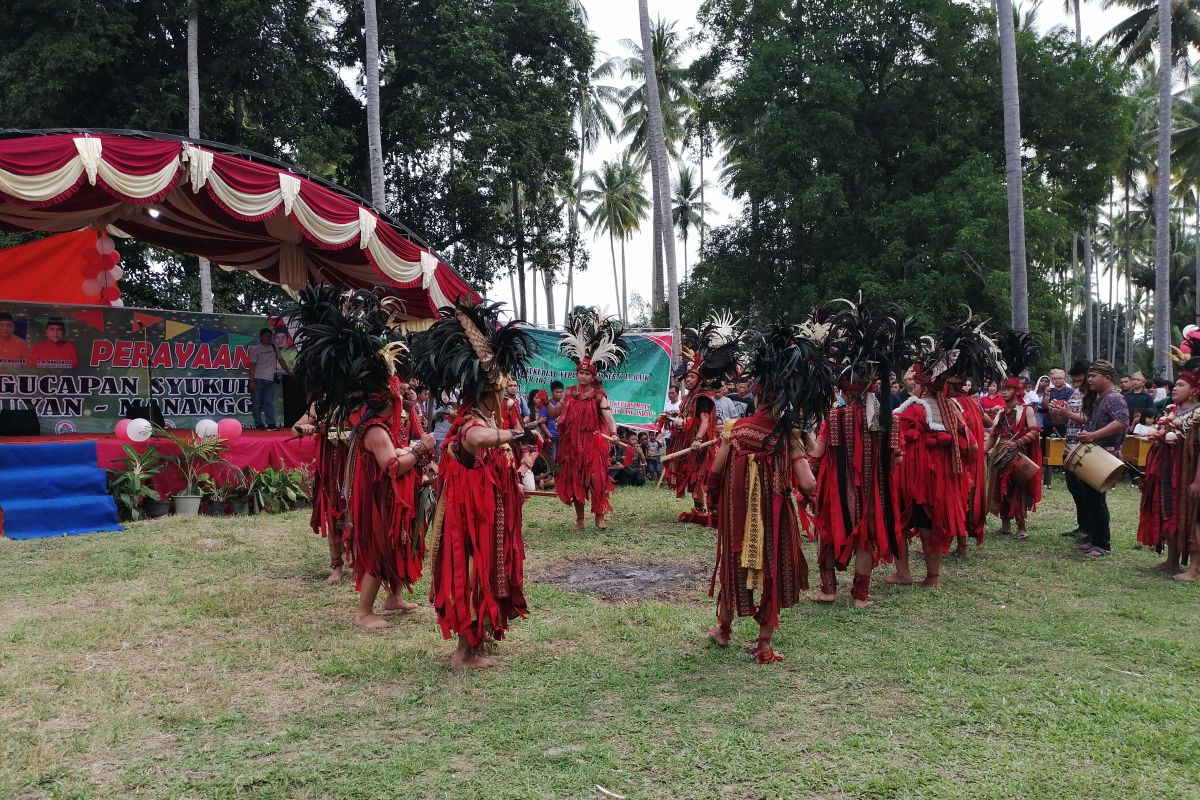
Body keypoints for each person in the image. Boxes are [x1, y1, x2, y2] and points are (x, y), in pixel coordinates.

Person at [291, 285, 434, 630]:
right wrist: (421, 448)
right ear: (388, 401)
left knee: (402, 543)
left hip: (395, 496)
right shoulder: (376, 430)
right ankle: (363, 612)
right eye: (398, 399)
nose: (403, 403)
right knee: (380, 549)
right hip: (381, 499)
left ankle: (394, 596)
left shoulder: (382, 423)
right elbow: (392, 466)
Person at [412, 297, 534, 670]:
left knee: (481, 572)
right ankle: (464, 653)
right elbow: (477, 438)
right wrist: (510, 433)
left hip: (481, 517)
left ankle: (475, 642)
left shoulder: (476, 416)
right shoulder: (471, 423)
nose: (504, 397)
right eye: (500, 391)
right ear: (489, 392)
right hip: (469, 520)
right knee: (469, 573)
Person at [708, 325, 829, 662]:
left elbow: (715, 472)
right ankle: (763, 644)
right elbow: (807, 484)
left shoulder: (737, 429)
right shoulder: (787, 436)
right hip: (773, 514)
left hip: (737, 514)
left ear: (758, 396)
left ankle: (724, 629)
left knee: (735, 565)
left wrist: (714, 505)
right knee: (773, 565)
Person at [806, 302, 910, 608]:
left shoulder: (835, 418)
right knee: (866, 536)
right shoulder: (888, 419)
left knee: (828, 532)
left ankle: (828, 590)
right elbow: (898, 459)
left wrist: (803, 449)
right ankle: (860, 596)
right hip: (874, 490)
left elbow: (818, 454)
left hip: (837, 491)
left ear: (845, 389)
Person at [542, 307, 626, 530]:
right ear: (577, 373)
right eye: (581, 372)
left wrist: (615, 432)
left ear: (593, 376)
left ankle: (599, 516)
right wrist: (544, 403)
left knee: (596, 481)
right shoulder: (569, 392)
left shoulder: (599, 395)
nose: (583, 376)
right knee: (575, 480)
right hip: (570, 445)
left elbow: (608, 415)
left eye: (587, 373)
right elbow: (554, 414)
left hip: (592, 442)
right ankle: (580, 520)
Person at [660, 312, 744, 525]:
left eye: (692, 376)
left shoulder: (703, 398)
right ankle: (704, 509)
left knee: (700, 477)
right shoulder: (688, 398)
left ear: (700, 379)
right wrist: (672, 418)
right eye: (687, 376)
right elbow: (686, 418)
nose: (688, 379)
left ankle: (710, 511)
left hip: (701, 445)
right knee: (693, 479)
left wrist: (697, 439)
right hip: (689, 441)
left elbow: (705, 421)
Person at [1054, 360, 1129, 557]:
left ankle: (1102, 544)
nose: (1090, 380)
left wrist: (1094, 435)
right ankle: (1093, 538)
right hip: (1094, 452)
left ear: (1107, 377)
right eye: (1089, 376)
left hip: (1105, 454)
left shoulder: (1114, 398)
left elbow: (1122, 422)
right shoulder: (1099, 398)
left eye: (1093, 376)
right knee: (1089, 498)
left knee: (1096, 500)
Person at [1137, 367, 1200, 573]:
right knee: (1170, 512)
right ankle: (1171, 561)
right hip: (1169, 470)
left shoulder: (1197, 415)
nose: (1175, 388)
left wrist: (1197, 481)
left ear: (1194, 391)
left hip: (1189, 473)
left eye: (1181, 385)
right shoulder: (1174, 411)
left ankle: (1194, 569)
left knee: (1192, 517)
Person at [985, 332, 1042, 540]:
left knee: (1018, 490)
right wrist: (984, 450)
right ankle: (1005, 525)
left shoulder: (1026, 409)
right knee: (1000, 490)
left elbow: (1035, 431)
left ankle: (1021, 526)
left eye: (1007, 389)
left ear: (1016, 390)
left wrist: (1017, 443)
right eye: (1001, 389)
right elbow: (993, 434)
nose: (1003, 392)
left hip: (1018, 455)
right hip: (1000, 454)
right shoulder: (1000, 412)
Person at [292, 403, 350, 583]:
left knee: (357, 513)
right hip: (331, 466)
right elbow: (295, 429)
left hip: (357, 463)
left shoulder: (361, 395)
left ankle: (359, 563)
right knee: (331, 512)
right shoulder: (321, 402)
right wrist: (304, 428)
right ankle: (336, 567)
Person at [1048, 361, 1090, 538]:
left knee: (1088, 493)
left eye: (1081, 380)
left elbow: (1089, 419)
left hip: (1087, 450)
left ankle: (1091, 529)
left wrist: (1067, 414)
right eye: (1075, 381)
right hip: (1070, 447)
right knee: (1075, 489)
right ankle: (1082, 525)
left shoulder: (1095, 396)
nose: (1077, 384)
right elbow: (1062, 421)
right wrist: (1055, 412)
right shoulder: (1074, 394)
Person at [248, 327, 285, 430]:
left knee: (269, 402)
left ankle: (271, 423)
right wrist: (251, 380)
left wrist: (289, 371)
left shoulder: (274, 347)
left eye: (270, 336)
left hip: (270, 380)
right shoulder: (256, 349)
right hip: (257, 379)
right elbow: (252, 366)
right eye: (267, 336)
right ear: (261, 337)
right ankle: (259, 424)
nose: (269, 338)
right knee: (256, 403)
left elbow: (281, 360)